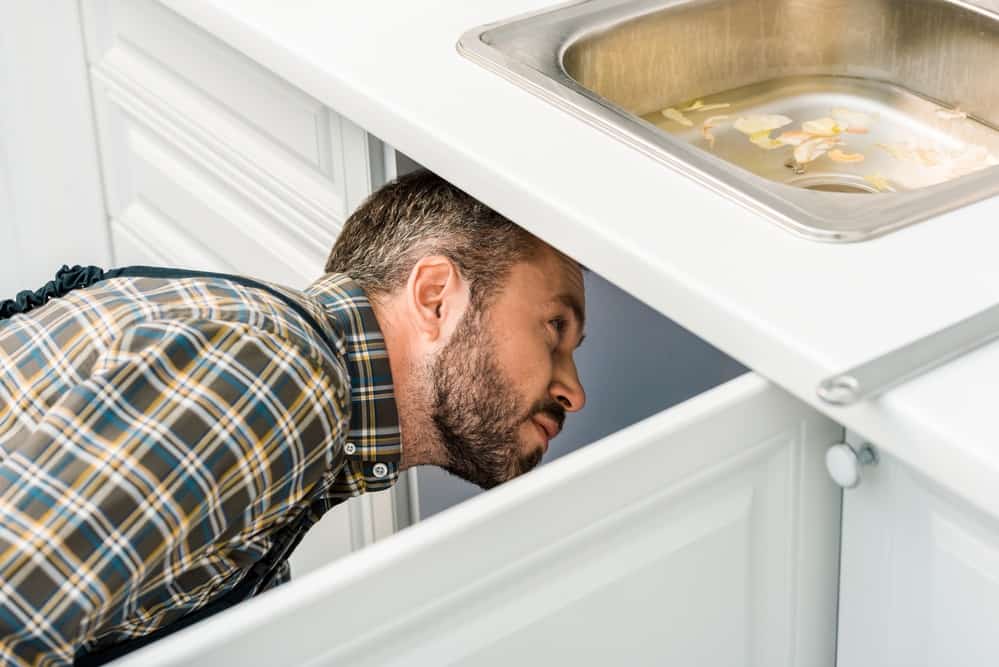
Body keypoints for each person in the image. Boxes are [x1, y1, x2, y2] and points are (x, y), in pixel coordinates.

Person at [0, 170, 586, 666]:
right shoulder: (275, 377)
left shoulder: (278, 369)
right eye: (555, 328)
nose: (575, 392)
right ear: (436, 297)